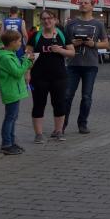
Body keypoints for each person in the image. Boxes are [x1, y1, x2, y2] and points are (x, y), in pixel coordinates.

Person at [27, 10, 75, 143]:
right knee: (38, 104)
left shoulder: (62, 34)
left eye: (49, 18)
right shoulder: (35, 36)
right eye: (44, 19)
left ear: (55, 20)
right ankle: (38, 134)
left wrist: (60, 50)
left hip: (59, 76)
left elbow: (72, 52)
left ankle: (58, 131)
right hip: (39, 77)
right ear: (41, 21)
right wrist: (27, 72)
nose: (47, 21)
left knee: (59, 104)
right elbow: (28, 55)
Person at [64, 0, 108, 134]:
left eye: (86, 3)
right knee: (67, 96)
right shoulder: (71, 23)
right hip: (73, 64)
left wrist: (93, 44)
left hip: (90, 65)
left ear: (92, 6)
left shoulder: (98, 24)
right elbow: (63, 42)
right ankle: (62, 124)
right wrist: (72, 43)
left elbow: (106, 44)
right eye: (81, 3)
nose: (83, 4)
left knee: (86, 97)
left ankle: (82, 124)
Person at [0, 30, 35, 155]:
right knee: (10, 118)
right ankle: (6, 144)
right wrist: (28, 62)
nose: (20, 43)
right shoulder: (6, 58)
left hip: (14, 91)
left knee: (13, 118)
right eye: (19, 41)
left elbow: (17, 68)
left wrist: (24, 59)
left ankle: (11, 142)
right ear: (12, 42)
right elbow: (18, 73)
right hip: (11, 92)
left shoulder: (11, 55)